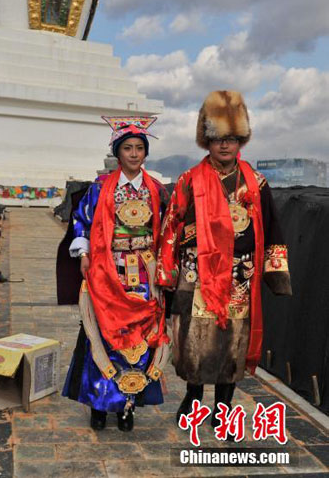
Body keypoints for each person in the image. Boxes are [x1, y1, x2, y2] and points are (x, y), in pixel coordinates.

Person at [156, 90, 292, 427]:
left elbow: (272, 230)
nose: (225, 146)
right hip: (196, 273)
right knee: (193, 339)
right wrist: (168, 271)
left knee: (232, 341)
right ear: (207, 141)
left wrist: (275, 275)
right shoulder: (189, 181)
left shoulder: (256, 184)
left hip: (239, 277)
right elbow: (171, 225)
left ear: (241, 140)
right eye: (217, 139)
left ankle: (223, 406)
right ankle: (192, 396)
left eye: (232, 138)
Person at [62, 116, 170, 431]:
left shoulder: (157, 191)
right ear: (117, 152)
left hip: (145, 272)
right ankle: (99, 402)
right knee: (104, 333)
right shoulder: (99, 190)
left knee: (140, 337)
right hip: (109, 269)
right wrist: (84, 253)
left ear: (145, 153)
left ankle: (129, 403)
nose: (134, 154)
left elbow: (168, 229)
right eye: (128, 148)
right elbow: (81, 221)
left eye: (139, 148)